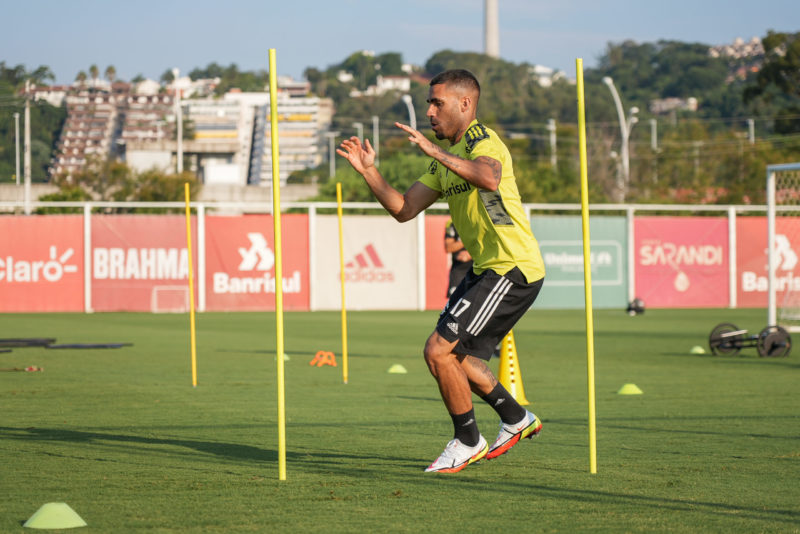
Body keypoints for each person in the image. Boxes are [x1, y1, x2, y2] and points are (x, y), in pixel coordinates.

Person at [337, 69, 546, 473]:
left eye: (438, 103)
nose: (429, 111)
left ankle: (468, 440)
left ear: (465, 104)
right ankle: (516, 418)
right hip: (487, 269)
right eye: (429, 103)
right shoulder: (444, 162)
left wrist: (435, 152)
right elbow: (404, 209)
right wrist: (369, 172)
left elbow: (488, 177)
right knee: (455, 356)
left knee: (438, 350)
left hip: (512, 267)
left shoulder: (482, 140)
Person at [444, 218, 473, 297]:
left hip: (478, 267)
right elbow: (449, 247)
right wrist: (468, 239)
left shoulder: (480, 219)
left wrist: (471, 254)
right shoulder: (451, 222)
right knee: (454, 300)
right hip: (459, 269)